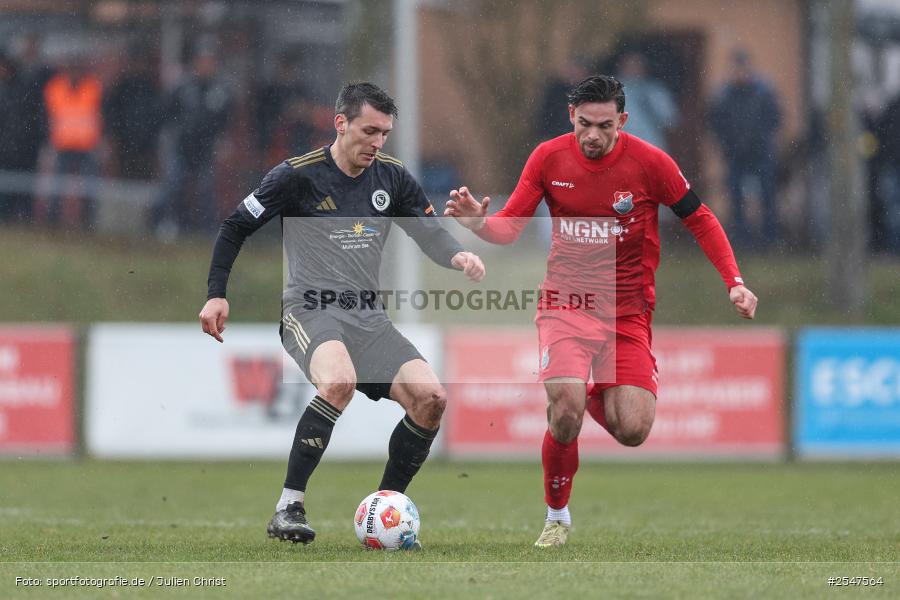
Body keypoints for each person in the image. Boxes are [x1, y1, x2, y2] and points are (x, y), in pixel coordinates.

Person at [445, 75, 757, 547]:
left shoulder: (651, 164)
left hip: (627, 314)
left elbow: (701, 218)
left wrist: (733, 281)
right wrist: (478, 225)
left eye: (604, 126)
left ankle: (588, 389)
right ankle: (557, 516)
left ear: (623, 121)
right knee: (565, 412)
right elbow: (510, 229)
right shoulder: (548, 158)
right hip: (565, 305)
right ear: (571, 116)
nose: (592, 135)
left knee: (632, 429)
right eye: (584, 124)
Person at [199, 82, 485, 547]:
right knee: (339, 382)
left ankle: (382, 512)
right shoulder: (296, 176)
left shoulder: (392, 178)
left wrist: (457, 256)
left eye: (385, 133)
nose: (377, 142)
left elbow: (429, 233)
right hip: (310, 311)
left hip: (368, 318)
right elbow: (235, 225)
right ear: (341, 123)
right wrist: (217, 294)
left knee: (432, 398)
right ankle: (288, 506)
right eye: (369, 130)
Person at [708, 49, 782, 247]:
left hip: (760, 152)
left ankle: (769, 238)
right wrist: (726, 143)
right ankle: (742, 238)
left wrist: (762, 140)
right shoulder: (724, 95)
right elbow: (715, 122)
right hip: (735, 154)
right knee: (735, 197)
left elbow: (774, 119)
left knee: (767, 195)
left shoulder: (763, 92)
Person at [615, 51, 676, 153]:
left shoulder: (655, 91)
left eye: (637, 64)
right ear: (622, 65)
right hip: (621, 148)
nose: (633, 67)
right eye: (630, 64)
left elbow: (670, 121)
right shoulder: (611, 89)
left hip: (650, 145)